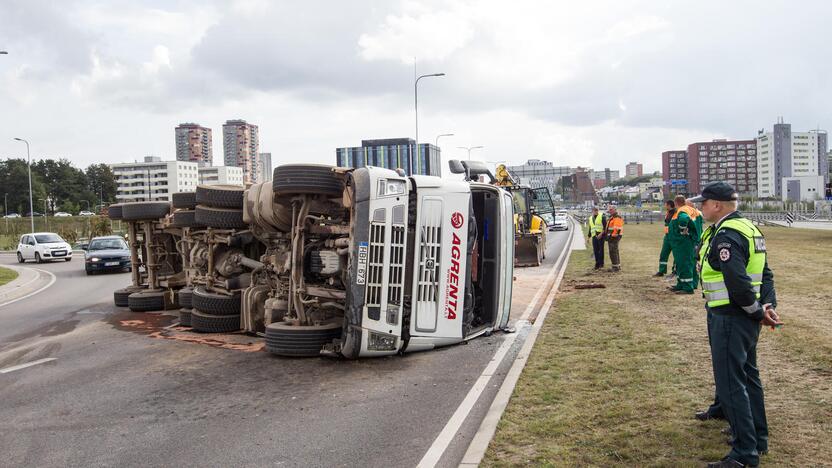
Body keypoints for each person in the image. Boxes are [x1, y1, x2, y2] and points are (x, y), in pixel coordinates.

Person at [689, 182, 782, 468]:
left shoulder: (727, 235)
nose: (700, 208)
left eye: (703, 203)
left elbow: (739, 282)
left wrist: (757, 312)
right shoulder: (749, 228)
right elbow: (765, 273)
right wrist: (767, 306)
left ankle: (744, 454)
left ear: (716, 205)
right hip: (744, 317)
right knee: (748, 377)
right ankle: (757, 438)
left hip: (731, 316)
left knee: (732, 383)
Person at [668, 195, 701, 294]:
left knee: (684, 263)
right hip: (686, 242)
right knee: (684, 263)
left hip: (683, 243)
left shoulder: (682, 210)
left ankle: (687, 287)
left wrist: (682, 229)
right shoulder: (690, 209)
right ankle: (683, 284)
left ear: (676, 203)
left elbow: (683, 219)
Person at [654, 200, 676, 277]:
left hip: (674, 236)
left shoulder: (676, 212)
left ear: (669, 205)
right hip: (667, 236)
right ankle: (661, 271)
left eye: (666, 205)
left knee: (676, 255)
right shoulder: (668, 212)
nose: (665, 206)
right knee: (663, 253)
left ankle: (675, 271)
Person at [605, 205, 624, 271]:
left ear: (615, 210)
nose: (609, 211)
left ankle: (615, 267)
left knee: (613, 251)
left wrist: (613, 236)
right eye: (609, 210)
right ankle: (617, 266)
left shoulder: (617, 218)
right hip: (611, 236)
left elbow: (617, 229)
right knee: (614, 251)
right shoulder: (612, 218)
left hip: (614, 237)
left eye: (611, 210)